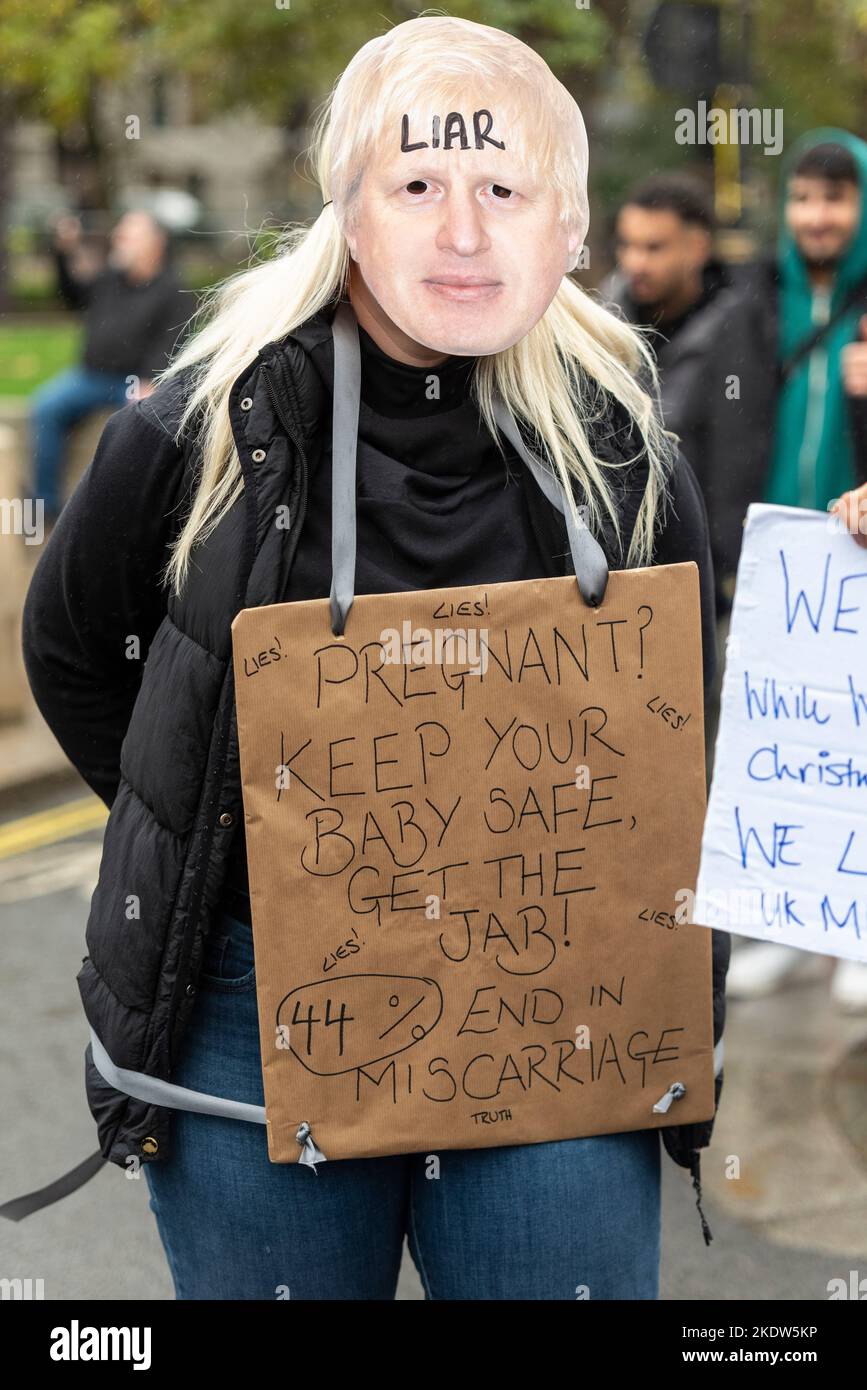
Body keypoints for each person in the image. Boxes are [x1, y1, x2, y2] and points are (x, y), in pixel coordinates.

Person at [18, 16, 728, 1299]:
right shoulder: (194, 430)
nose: (464, 232)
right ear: (349, 209)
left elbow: (691, 710)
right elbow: (78, 651)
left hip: (558, 997)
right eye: (416, 186)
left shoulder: (629, 451)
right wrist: (229, 847)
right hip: (256, 1005)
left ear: (567, 228)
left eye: (503, 189)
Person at [722, 133, 867, 1009]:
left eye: (837, 199)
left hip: (858, 554)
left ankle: (853, 932)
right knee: (780, 747)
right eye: (804, 199)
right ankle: (782, 923)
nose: (817, 217)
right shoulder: (753, 298)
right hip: (776, 560)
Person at [31, 208, 188, 528]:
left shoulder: (174, 291)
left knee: (139, 426)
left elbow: (172, 342)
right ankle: (46, 507)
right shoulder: (109, 280)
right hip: (89, 376)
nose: (119, 239)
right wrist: (64, 252)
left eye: (129, 234)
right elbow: (72, 294)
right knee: (45, 408)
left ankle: (125, 517)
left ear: (155, 243)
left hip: (133, 380)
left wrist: (149, 380)